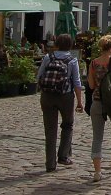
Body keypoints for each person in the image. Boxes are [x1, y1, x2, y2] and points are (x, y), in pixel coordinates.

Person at [36, 32, 83, 173]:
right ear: (70, 45)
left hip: (47, 96)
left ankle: (50, 164)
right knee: (67, 125)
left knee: (50, 131)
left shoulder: (47, 57)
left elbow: (39, 76)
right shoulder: (72, 60)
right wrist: (80, 102)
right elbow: (77, 82)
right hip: (65, 96)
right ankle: (63, 156)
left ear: (56, 44)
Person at [87, 34, 111, 183]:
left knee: (97, 137)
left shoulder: (93, 63)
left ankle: (97, 172)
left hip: (97, 102)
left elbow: (90, 85)